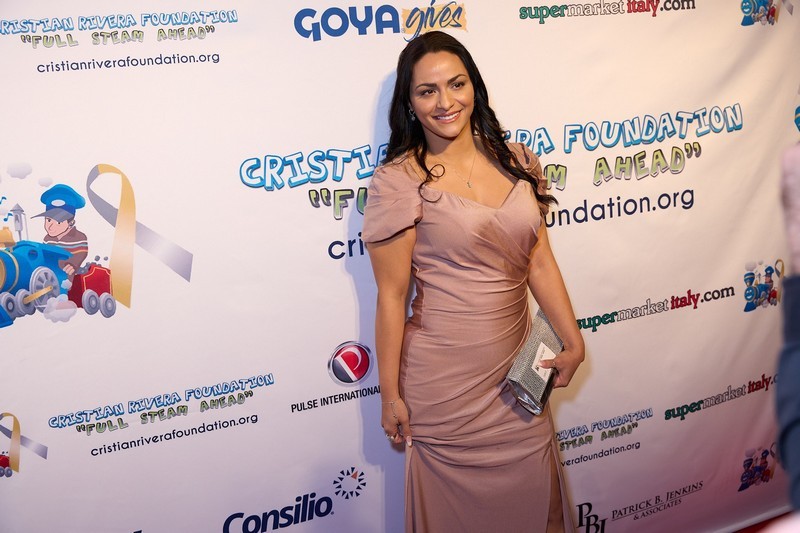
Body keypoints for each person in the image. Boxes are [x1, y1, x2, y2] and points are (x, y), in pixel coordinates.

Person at [362, 31, 584, 532]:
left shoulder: (516, 161)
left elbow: (539, 260)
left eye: (456, 84)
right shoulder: (399, 182)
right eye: (427, 91)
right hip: (445, 390)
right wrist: (390, 394)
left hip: (519, 381)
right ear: (410, 103)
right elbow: (392, 297)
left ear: (474, 87)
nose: (445, 102)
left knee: (541, 513)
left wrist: (572, 339)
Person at [33, 184, 88, 279]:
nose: (50, 226)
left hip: (67, 276)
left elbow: (81, 254)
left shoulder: (79, 237)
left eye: (58, 222)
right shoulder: (47, 239)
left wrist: (73, 264)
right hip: (48, 275)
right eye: (48, 220)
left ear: (71, 222)